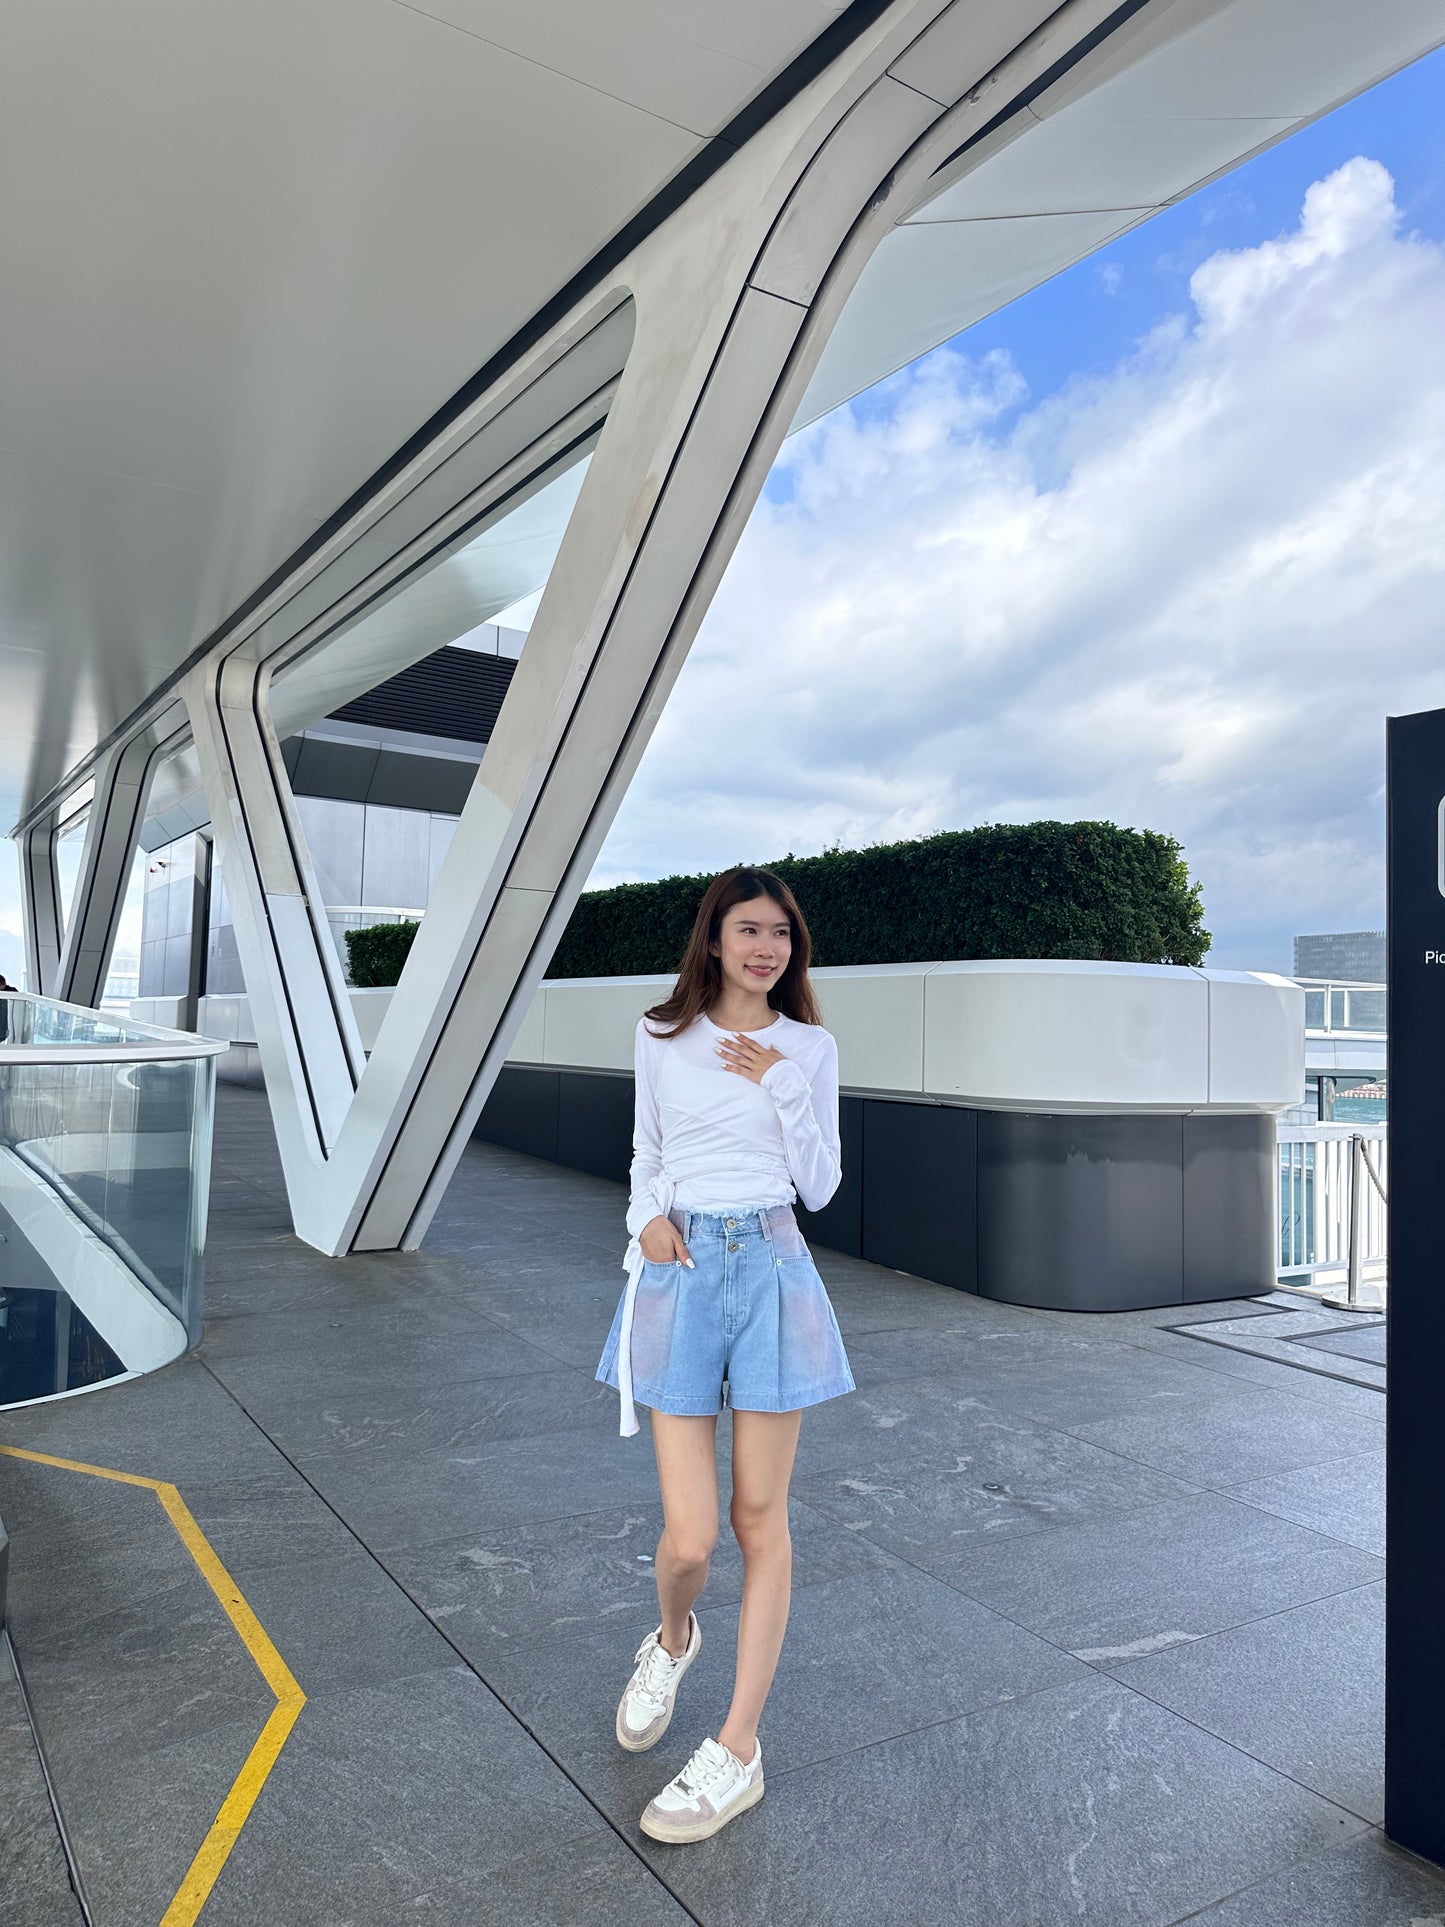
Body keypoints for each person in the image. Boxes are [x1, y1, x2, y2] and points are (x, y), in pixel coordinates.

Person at [594, 865, 854, 1844]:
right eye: (748, 929)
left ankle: (736, 1746)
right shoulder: (661, 1033)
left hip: (774, 1264)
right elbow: (643, 1151)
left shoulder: (806, 1046)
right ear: (712, 939)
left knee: (757, 1516)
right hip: (682, 1268)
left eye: (780, 933)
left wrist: (780, 1081)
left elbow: (820, 1185)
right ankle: (670, 1638)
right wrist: (646, 1217)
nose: (765, 947)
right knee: (690, 1538)